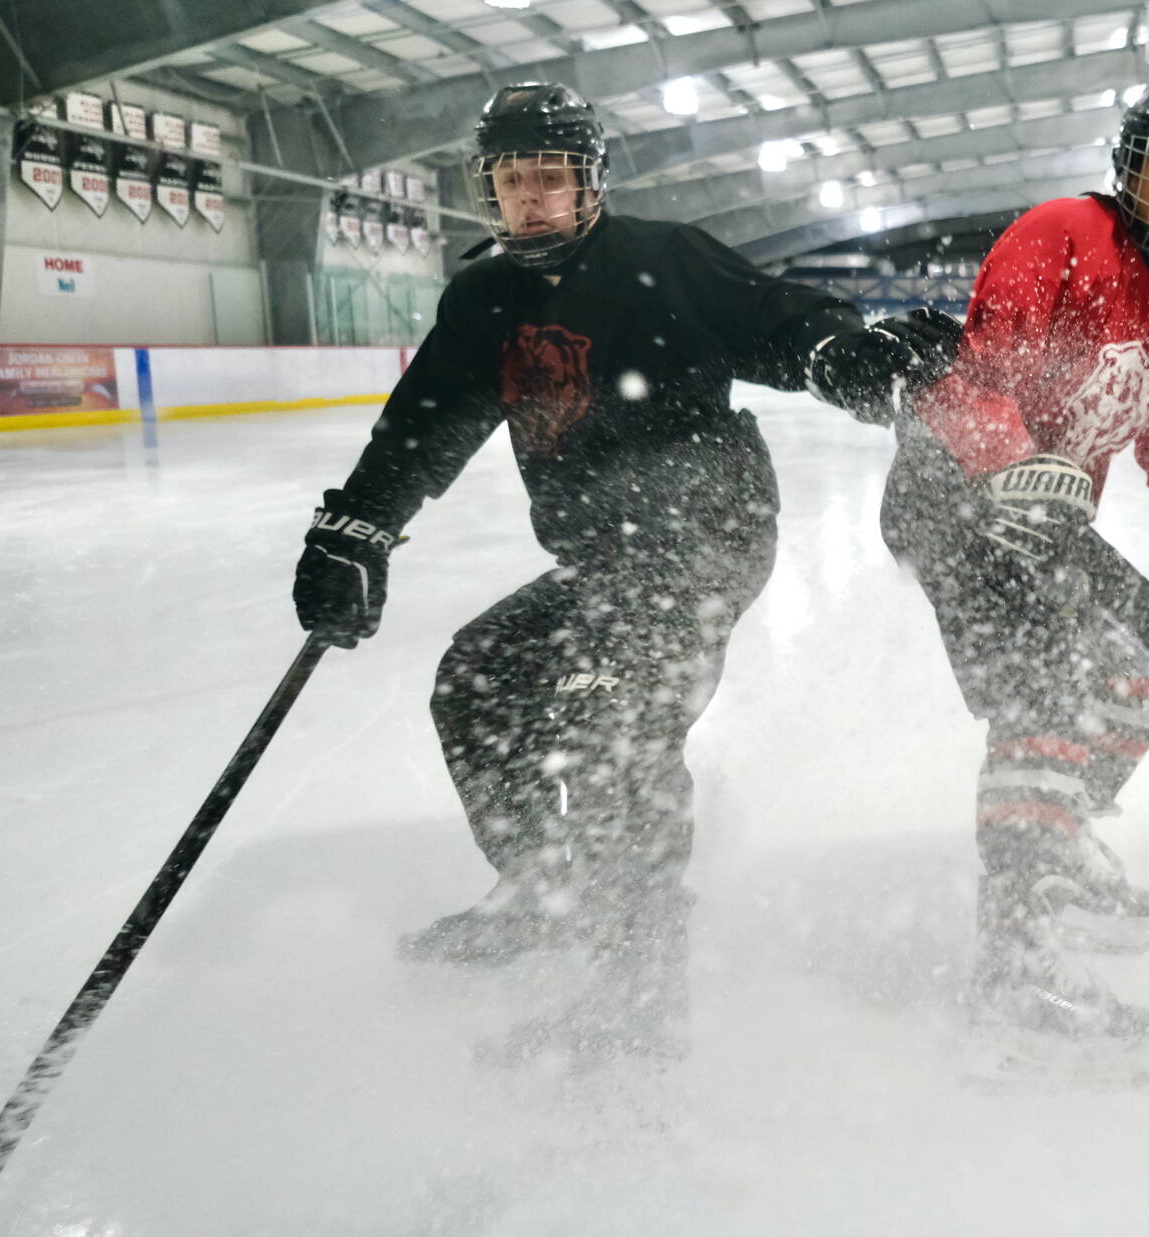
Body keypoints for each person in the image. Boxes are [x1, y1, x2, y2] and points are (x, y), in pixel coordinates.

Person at [291, 83, 957, 1061]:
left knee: (615, 727)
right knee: (474, 684)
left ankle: (634, 985)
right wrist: (357, 526)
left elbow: (781, 325)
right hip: (602, 558)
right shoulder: (483, 298)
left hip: (705, 539)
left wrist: (852, 358)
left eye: (549, 178)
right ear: (487, 188)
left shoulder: (663, 261)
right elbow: (425, 424)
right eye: (511, 180)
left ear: (589, 180)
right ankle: (539, 888)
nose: (531, 199)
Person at [880, 75, 1149, 1087]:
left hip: (1050, 517)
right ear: (1127, 163)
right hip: (955, 492)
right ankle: (1008, 974)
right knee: (1044, 685)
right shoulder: (1058, 231)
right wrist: (1009, 469)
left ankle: (1050, 834)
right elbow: (973, 371)